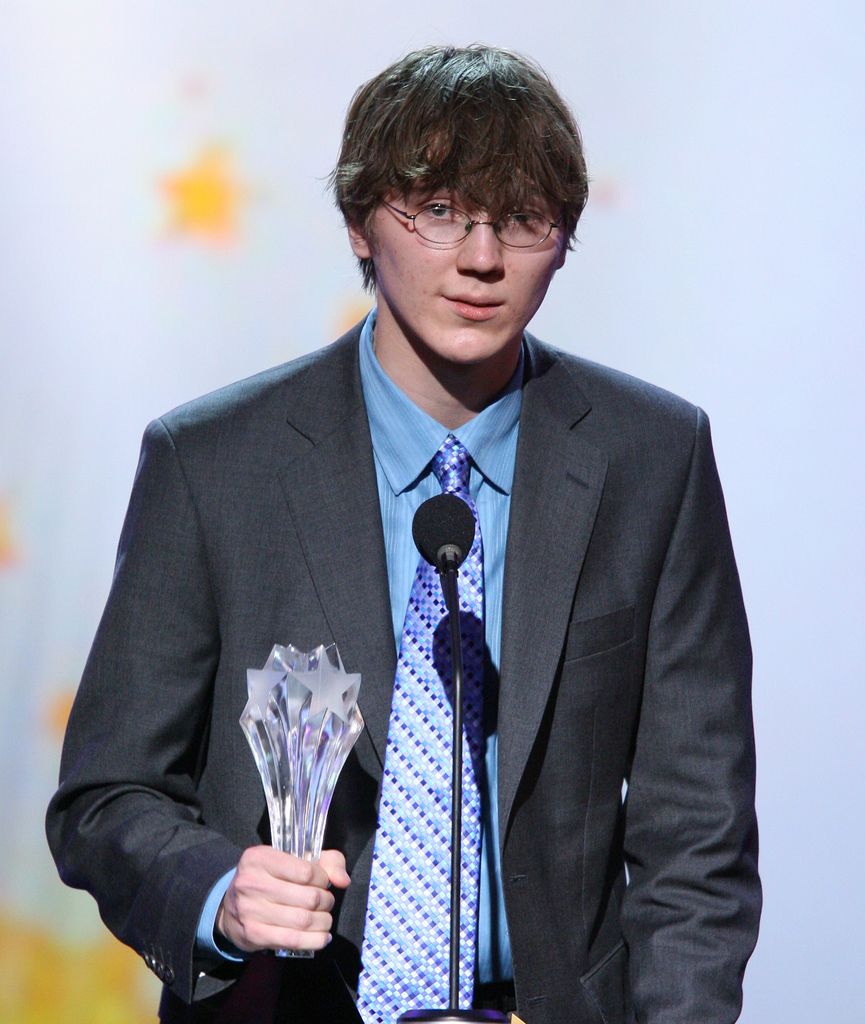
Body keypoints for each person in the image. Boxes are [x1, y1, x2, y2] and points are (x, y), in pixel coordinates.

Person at [46, 44, 760, 1024]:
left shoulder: (652, 459)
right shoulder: (212, 464)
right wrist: (221, 890)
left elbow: (697, 837)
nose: (480, 258)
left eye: (522, 221)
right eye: (436, 214)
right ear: (358, 222)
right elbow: (106, 794)